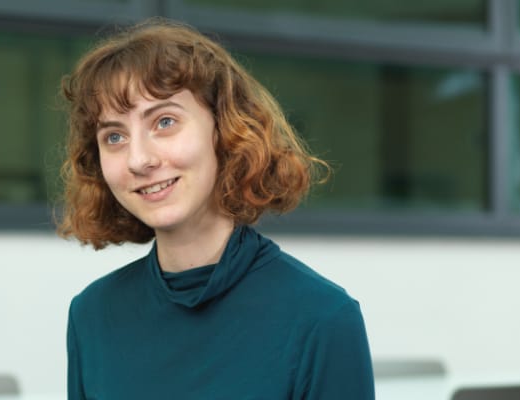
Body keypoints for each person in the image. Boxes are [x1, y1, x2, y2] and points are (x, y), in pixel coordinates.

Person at [57, 18, 374, 399]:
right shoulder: (91, 316)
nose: (138, 159)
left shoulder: (322, 319)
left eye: (165, 121)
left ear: (225, 131)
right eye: (114, 137)